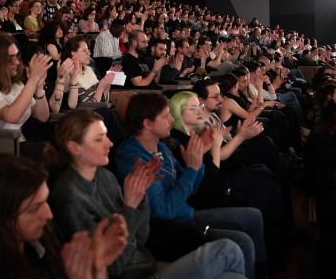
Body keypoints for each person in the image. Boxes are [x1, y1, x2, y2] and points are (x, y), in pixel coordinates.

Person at [49, 109, 247, 279]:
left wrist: (140, 198)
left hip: (147, 262)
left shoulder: (105, 177)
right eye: (99, 139)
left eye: (107, 136)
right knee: (228, 249)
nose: (109, 143)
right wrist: (131, 206)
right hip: (134, 274)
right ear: (74, 148)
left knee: (234, 275)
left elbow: (142, 236)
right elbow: (114, 266)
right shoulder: (70, 196)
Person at [116, 93, 267, 278]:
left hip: (185, 212)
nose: (172, 119)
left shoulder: (161, 147)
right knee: (242, 242)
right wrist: (192, 169)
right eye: (165, 116)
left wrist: (197, 163)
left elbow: (191, 189)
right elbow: (163, 211)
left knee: (253, 216)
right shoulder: (135, 159)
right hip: (166, 230)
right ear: (147, 123)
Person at [0, 154, 129, 279]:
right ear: (2, 215)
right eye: (34, 208)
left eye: (45, 201)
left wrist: (97, 268)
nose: (49, 214)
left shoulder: (40, 238)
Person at [0, 32, 51, 131]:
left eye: (17, 56)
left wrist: (39, 87)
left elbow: (42, 117)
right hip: (4, 144)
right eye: (10, 59)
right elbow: (11, 116)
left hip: (20, 141)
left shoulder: (16, 84)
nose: (17, 62)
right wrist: (33, 80)